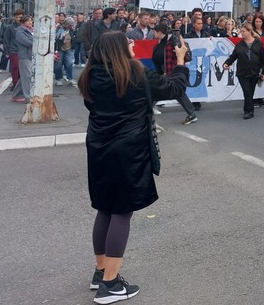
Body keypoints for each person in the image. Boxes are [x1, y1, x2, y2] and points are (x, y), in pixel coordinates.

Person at [79, 31, 189, 304]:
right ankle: (110, 285)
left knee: (105, 207)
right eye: (128, 41)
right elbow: (173, 88)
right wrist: (180, 61)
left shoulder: (89, 76)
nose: (133, 44)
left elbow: (91, 106)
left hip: (98, 147)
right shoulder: (137, 74)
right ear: (117, 48)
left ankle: (100, 271)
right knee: (121, 212)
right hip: (128, 150)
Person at [151, 23, 198, 124]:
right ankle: (191, 113)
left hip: (173, 70)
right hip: (168, 71)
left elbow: (181, 54)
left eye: (155, 31)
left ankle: (191, 113)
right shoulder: (161, 43)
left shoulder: (172, 41)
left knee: (174, 92)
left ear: (159, 32)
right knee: (175, 92)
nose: (153, 33)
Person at [222, 22, 264, 119]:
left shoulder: (258, 43)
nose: (242, 33)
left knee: (251, 92)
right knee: (247, 91)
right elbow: (234, 56)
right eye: (241, 31)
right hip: (242, 72)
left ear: (249, 31)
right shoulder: (239, 45)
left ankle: (250, 110)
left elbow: (263, 59)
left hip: (254, 72)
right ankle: (248, 111)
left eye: (244, 31)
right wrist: (226, 63)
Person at [13, 15, 34, 102]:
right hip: (24, 55)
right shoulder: (20, 32)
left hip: (30, 55)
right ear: (23, 22)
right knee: (28, 76)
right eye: (28, 21)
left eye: (31, 20)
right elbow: (27, 42)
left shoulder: (30, 30)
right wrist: (37, 41)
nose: (30, 22)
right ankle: (28, 97)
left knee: (24, 77)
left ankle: (16, 95)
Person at [5, 9, 23, 99]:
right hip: (13, 50)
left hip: (23, 50)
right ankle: (15, 83)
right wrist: (6, 51)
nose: (18, 19)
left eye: (20, 17)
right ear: (14, 17)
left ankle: (20, 84)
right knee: (15, 67)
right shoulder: (10, 27)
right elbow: (6, 40)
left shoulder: (25, 26)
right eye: (16, 17)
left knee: (22, 68)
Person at [55, 17, 78, 86]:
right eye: (69, 25)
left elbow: (74, 38)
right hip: (60, 49)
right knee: (58, 65)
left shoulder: (72, 30)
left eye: (71, 25)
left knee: (69, 64)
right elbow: (57, 38)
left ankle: (70, 78)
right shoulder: (59, 29)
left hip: (69, 49)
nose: (70, 26)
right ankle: (58, 79)